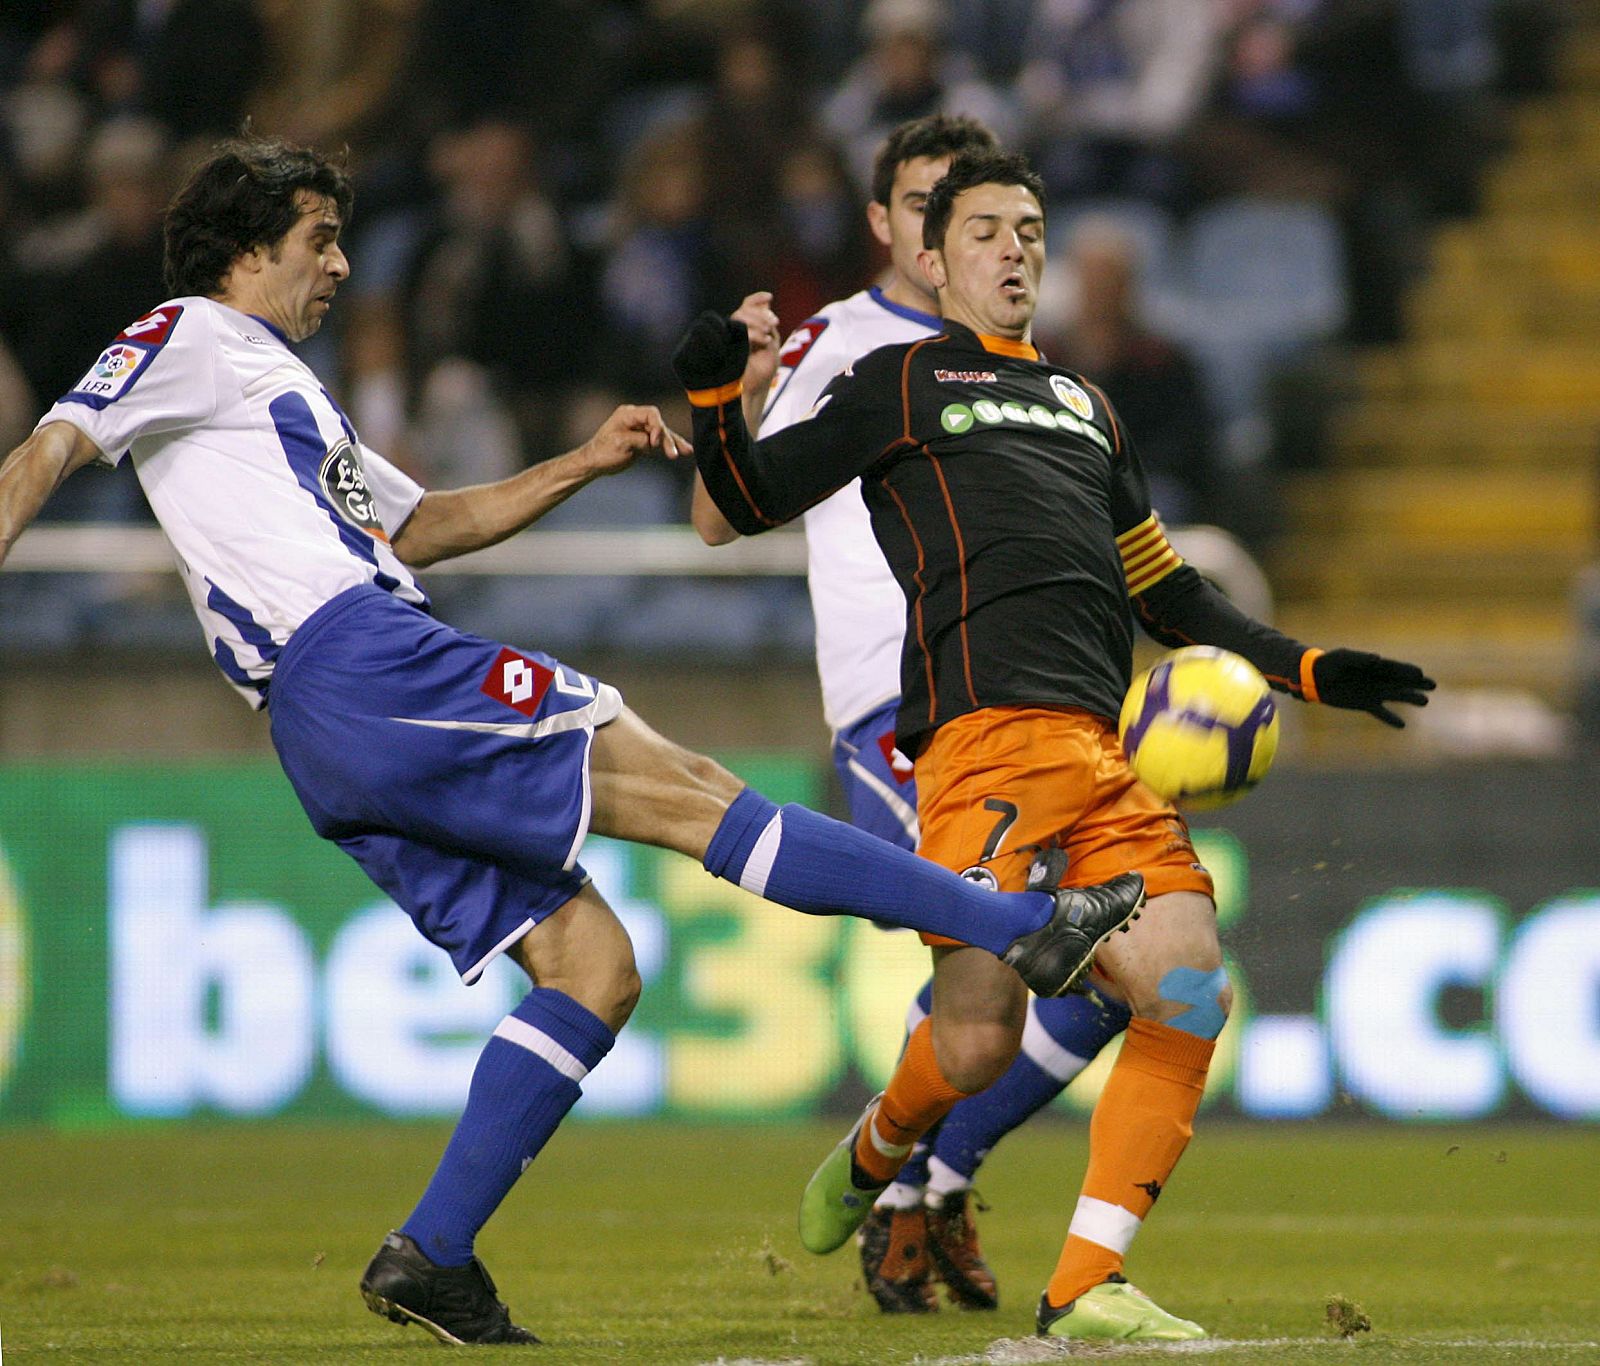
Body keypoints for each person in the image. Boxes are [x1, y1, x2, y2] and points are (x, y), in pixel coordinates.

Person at [0, 135, 1144, 1347]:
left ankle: (432, 1252)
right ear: (242, 253)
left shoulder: (282, 392)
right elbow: (50, 445)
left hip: (324, 717)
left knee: (594, 964)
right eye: (316, 241)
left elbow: (426, 526)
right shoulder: (188, 333)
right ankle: (1020, 924)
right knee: (688, 787)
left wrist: (586, 463)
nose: (339, 264)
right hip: (363, 665)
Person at [672, 149, 1433, 1342]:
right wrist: (721, 404)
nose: (1015, 248)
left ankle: (1084, 1283)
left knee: (1186, 988)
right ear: (931, 256)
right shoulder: (897, 383)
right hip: (978, 742)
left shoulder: (1087, 404)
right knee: (971, 1040)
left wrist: (1310, 668)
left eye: (1029, 228)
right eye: (984, 231)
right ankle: (879, 1147)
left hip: (1102, 744)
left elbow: (1167, 590)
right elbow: (745, 504)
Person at [693, 113, 1136, 1317]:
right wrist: (735, 399)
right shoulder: (843, 343)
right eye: (933, 200)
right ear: (893, 225)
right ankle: (899, 1196)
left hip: (1041, 701)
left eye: (990, 207)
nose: (966, 225)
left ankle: (928, 1178)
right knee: (1003, 939)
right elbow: (720, 512)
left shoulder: (1029, 366)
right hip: (906, 709)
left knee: (1109, 969)